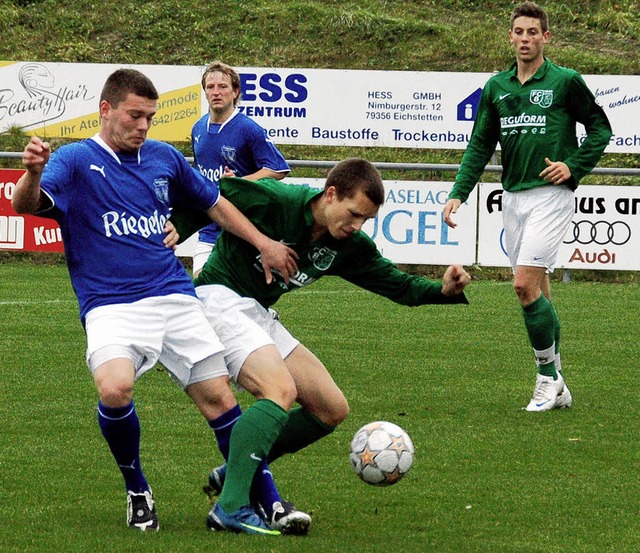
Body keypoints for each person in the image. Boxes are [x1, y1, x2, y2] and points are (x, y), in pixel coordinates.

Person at [12, 68, 304, 536]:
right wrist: (32, 172)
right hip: (111, 303)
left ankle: (267, 501)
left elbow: (213, 203)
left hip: (173, 295)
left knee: (220, 399)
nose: (143, 126)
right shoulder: (75, 159)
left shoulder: (164, 156)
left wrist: (265, 242)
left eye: (150, 117)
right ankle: (137, 489)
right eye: (134, 115)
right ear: (105, 110)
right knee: (114, 387)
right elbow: (25, 206)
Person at [170, 158, 471, 514]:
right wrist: (177, 228)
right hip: (218, 298)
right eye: (354, 214)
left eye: (366, 220)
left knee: (331, 408)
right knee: (279, 390)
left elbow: (398, 286)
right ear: (330, 194)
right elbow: (212, 196)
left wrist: (443, 291)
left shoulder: (348, 246)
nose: (358, 226)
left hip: (257, 312)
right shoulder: (276, 200)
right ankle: (231, 508)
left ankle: (236, 471)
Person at [443, 2, 612, 411]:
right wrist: (459, 192)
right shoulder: (497, 87)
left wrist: (572, 167)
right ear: (510, 36)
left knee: (522, 286)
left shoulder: (565, 81)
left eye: (533, 32)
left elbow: (600, 128)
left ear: (546, 37)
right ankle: (560, 383)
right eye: (519, 31)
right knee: (540, 292)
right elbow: (481, 144)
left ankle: (545, 377)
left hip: (551, 196)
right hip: (513, 196)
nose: (525, 39)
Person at [191, 61, 290, 277]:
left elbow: (278, 169)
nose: (216, 92)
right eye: (210, 87)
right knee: (201, 286)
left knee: (238, 296)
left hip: (242, 229)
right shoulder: (198, 128)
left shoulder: (248, 129)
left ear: (235, 92)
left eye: (223, 87)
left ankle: (267, 313)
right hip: (209, 228)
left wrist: (240, 182)